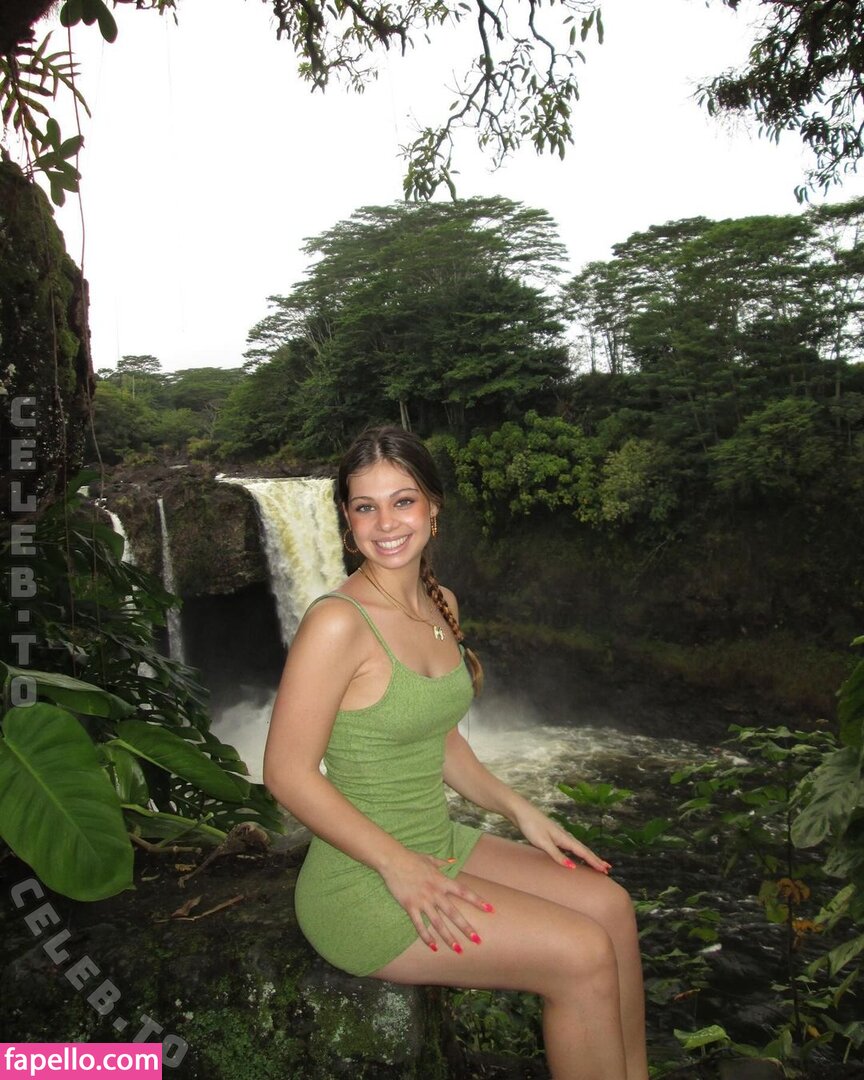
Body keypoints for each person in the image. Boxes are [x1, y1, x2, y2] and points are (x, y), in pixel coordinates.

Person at [263, 426, 649, 1080]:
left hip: (436, 842)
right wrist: (398, 865)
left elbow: (441, 740)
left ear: (433, 507)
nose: (386, 523)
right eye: (365, 507)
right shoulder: (337, 623)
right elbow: (285, 773)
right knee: (580, 954)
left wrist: (521, 811)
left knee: (610, 908)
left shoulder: (441, 603)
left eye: (403, 501)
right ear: (347, 521)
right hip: (362, 880)